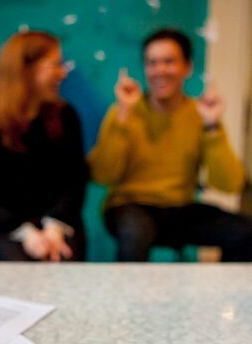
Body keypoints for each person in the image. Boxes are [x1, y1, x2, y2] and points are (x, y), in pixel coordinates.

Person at [88, 28, 252, 261]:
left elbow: (230, 184)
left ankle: (224, 286)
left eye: (169, 62)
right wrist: (124, 116)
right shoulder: (123, 111)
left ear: (188, 67)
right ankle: (129, 287)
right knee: (135, 233)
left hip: (180, 208)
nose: (160, 71)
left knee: (244, 232)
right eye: (152, 63)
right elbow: (102, 175)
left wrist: (212, 126)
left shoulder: (200, 114)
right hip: (130, 206)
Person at [0, 31, 87, 261]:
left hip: (60, 222)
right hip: (7, 227)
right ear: (26, 69)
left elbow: (75, 181)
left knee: (62, 264)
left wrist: (54, 226)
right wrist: (27, 233)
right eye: (55, 65)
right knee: (19, 272)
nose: (62, 73)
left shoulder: (65, 116)